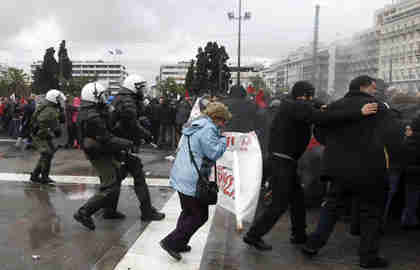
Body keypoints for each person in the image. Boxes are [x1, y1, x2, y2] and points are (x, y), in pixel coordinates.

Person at [243, 81, 378, 252]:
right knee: (279, 203)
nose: (312, 99)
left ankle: (299, 234)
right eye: (310, 96)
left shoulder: (291, 105)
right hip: (282, 163)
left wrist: (323, 105)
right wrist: (358, 111)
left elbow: (317, 106)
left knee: (297, 200)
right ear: (305, 95)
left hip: (286, 162)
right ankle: (254, 235)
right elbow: (323, 118)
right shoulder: (297, 107)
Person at [301, 76, 390, 268]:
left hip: (338, 168)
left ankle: (312, 244)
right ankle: (368, 257)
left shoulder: (335, 106)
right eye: (373, 88)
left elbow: (319, 131)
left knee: (332, 207)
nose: (376, 91)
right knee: (370, 213)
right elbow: (389, 132)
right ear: (363, 87)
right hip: (369, 168)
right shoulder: (378, 107)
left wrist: (334, 145)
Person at [160, 102, 232, 261]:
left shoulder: (196, 124)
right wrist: (223, 140)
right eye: (224, 121)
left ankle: (180, 242)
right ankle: (171, 242)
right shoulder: (208, 129)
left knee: (188, 212)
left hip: (182, 174)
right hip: (192, 178)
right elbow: (213, 153)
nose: (224, 124)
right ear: (217, 118)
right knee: (200, 215)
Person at [73, 82, 133, 230]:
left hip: (101, 150)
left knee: (118, 175)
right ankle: (84, 212)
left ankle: (109, 211)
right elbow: (107, 138)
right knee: (111, 186)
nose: (105, 98)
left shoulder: (92, 110)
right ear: (94, 97)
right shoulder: (92, 116)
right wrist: (128, 143)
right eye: (102, 95)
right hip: (99, 153)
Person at [108, 74, 165, 221]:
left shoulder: (122, 98)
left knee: (116, 178)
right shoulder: (128, 101)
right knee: (138, 177)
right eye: (141, 87)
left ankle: (108, 209)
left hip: (118, 143)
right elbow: (131, 124)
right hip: (123, 144)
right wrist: (147, 135)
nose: (143, 90)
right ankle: (147, 212)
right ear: (134, 87)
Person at [29, 89, 66, 184]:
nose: (60, 100)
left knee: (47, 154)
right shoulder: (50, 110)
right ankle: (44, 177)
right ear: (53, 99)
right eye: (58, 99)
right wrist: (54, 130)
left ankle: (35, 175)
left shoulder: (47, 106)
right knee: (47, 154)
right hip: (40, 135)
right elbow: (44, 122)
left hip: (43, 134)